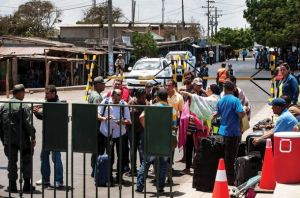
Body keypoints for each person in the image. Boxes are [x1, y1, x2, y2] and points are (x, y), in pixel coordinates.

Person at [136, 88, 176, 193]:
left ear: (157, 97)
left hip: (152, 138)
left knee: (146, 162)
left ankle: (139, 187)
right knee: (162, 164)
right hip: (164, 139)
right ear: (166, 97)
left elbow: (141, 117)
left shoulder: (151, 107)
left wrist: (148, 128)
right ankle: (160, 188)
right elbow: (174, 126)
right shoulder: (171, 109)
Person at [0, 84, 36, 193]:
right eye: (23, 92)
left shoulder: (4, 106)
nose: (24, 95)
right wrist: (33, 137)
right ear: (20, 93)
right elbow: (28, 124)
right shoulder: (23, 106)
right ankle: (26, 185)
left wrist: (3, 139)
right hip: (23, 140)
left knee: (11, 162)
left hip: (9, 140)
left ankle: (12, 186)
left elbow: (0, 125)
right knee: (26, 161)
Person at [213, 81, 245, 185]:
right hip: (232, 132)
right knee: (231, 158)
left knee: (222, 156)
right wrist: (244, 111)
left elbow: (217, 114)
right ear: (233, 89)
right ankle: (230, 180)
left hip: (221, 132)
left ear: (224, 89)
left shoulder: (221, 101)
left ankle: (221, 177)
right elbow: (240, 114)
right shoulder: (236, 100)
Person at [33, 85, 64, 188]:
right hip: (47, 135)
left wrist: (40, 113)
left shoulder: (58, 104)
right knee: (44, 157)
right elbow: (44, 118)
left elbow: (54, 118)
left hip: (55, 136)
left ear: (53, 93)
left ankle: (59, 180)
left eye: (47, 93)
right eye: (45, 93)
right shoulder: (47, 103)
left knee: (56, 158)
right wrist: (37, 113)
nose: (45, 95)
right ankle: (45, 179)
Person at [98, 89, 132, 183]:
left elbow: (128, 121)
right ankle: (109, 177)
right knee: (110, 156)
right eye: (118, 95)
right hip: (107, 133)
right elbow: (97, 115)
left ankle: (119, 177)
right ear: (112, 95)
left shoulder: (123, 104)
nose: (120, 97)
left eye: (120, 95)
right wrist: (104, 118)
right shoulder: (105, 102)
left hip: (120, 134)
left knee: (121, 156)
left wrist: (121, 121)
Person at [87, 76, 106, 177]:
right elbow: (97, 113)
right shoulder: (97, 97)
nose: (104, 85)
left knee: (95, 150)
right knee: (98, 150)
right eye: (103, 84)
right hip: (98, 127)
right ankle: (96, 170)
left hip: (93, 127)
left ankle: (94, 169)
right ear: (98, 85)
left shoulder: (93, 94)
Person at [127, 89, 148, 176]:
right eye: (142, 97)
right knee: (132, 149)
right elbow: (126, 113)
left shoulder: (146, 103)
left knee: (142, 149)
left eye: (145, 97)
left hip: (142, 129)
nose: (144, 99)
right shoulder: (131, 102)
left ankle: (142, 169)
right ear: (138, 96)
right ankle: (133, 169)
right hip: (131, 129)